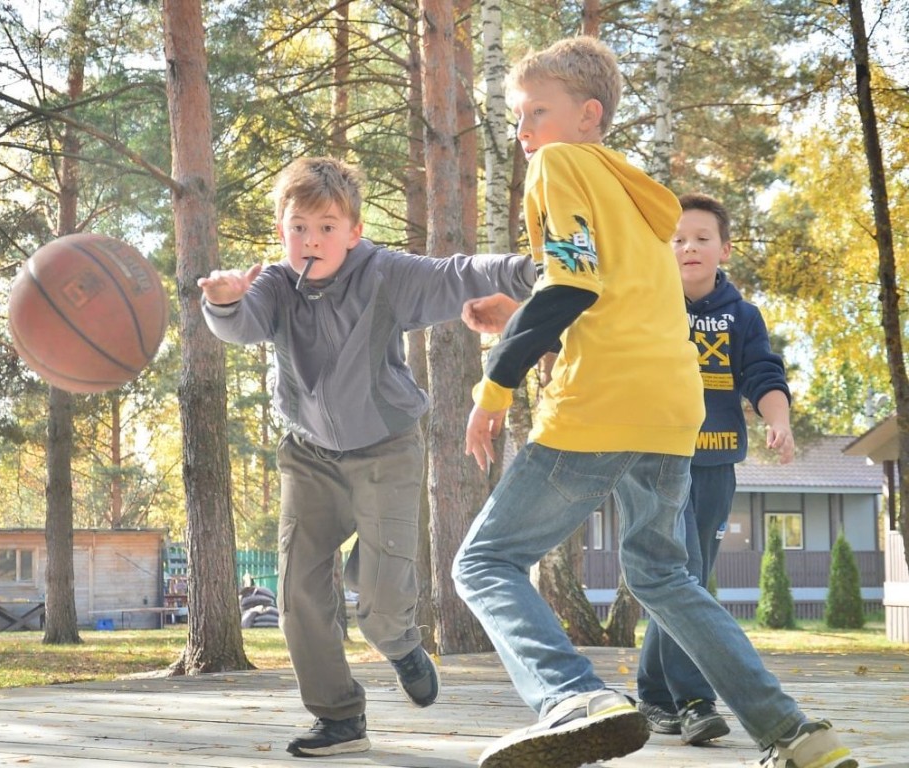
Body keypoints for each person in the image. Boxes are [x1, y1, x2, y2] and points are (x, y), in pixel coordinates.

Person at [452, 36, 857, 768]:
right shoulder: (636, 196)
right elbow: (610, 296)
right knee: (662, 574)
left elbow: (571, 287)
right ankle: (795, 733)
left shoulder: (558, 165)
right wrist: (519, 316)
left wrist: (494, 384)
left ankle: (573, 696)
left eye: (534, 112)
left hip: (601, 401)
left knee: (484, 563)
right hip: (671, 406)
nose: (521, 133)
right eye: (517, 118)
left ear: (588, 115)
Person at [198, 156, 537, 759]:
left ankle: (401, 641)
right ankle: (339, 717)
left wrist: (527, 270)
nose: (312, 240)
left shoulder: (384, 274)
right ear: (282, 230)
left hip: (386, 450)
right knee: (299, 593)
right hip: (310, 458)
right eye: (299, 226)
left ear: (354, 232)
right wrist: (224, 303)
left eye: (327, 226)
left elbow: (457, 274)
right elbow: (242, 325)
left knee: (378, 608)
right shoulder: (273, 286)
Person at [636, 192, 796, 745]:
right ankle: (694, 699)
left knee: (688, 582)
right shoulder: (646, 303)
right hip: (654, 461)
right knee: (678, 576)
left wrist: (780, 421)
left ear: (723, 249)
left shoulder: (743, 316)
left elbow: (764, 374)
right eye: (677, 238)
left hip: (715, 461)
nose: (688, 247)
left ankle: (654, 698)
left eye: (702, 238)